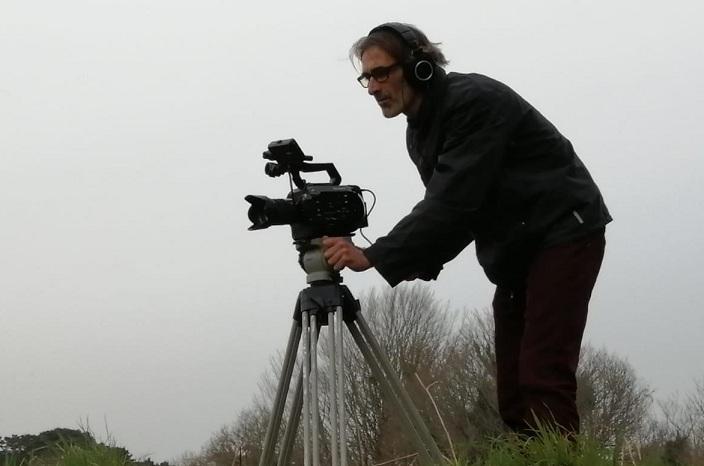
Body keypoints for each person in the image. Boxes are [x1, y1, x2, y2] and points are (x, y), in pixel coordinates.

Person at [322, 22, 611, 436]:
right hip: (516, 249)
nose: (372, 87)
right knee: (513, 394)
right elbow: (458, 216)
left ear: (419, 66)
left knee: (543, 376)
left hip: (563, 231)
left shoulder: (474, 102)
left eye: (382, 72)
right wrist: (408, 259)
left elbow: (452, 204)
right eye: (366, 77)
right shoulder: (419, 130)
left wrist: (376, 255)